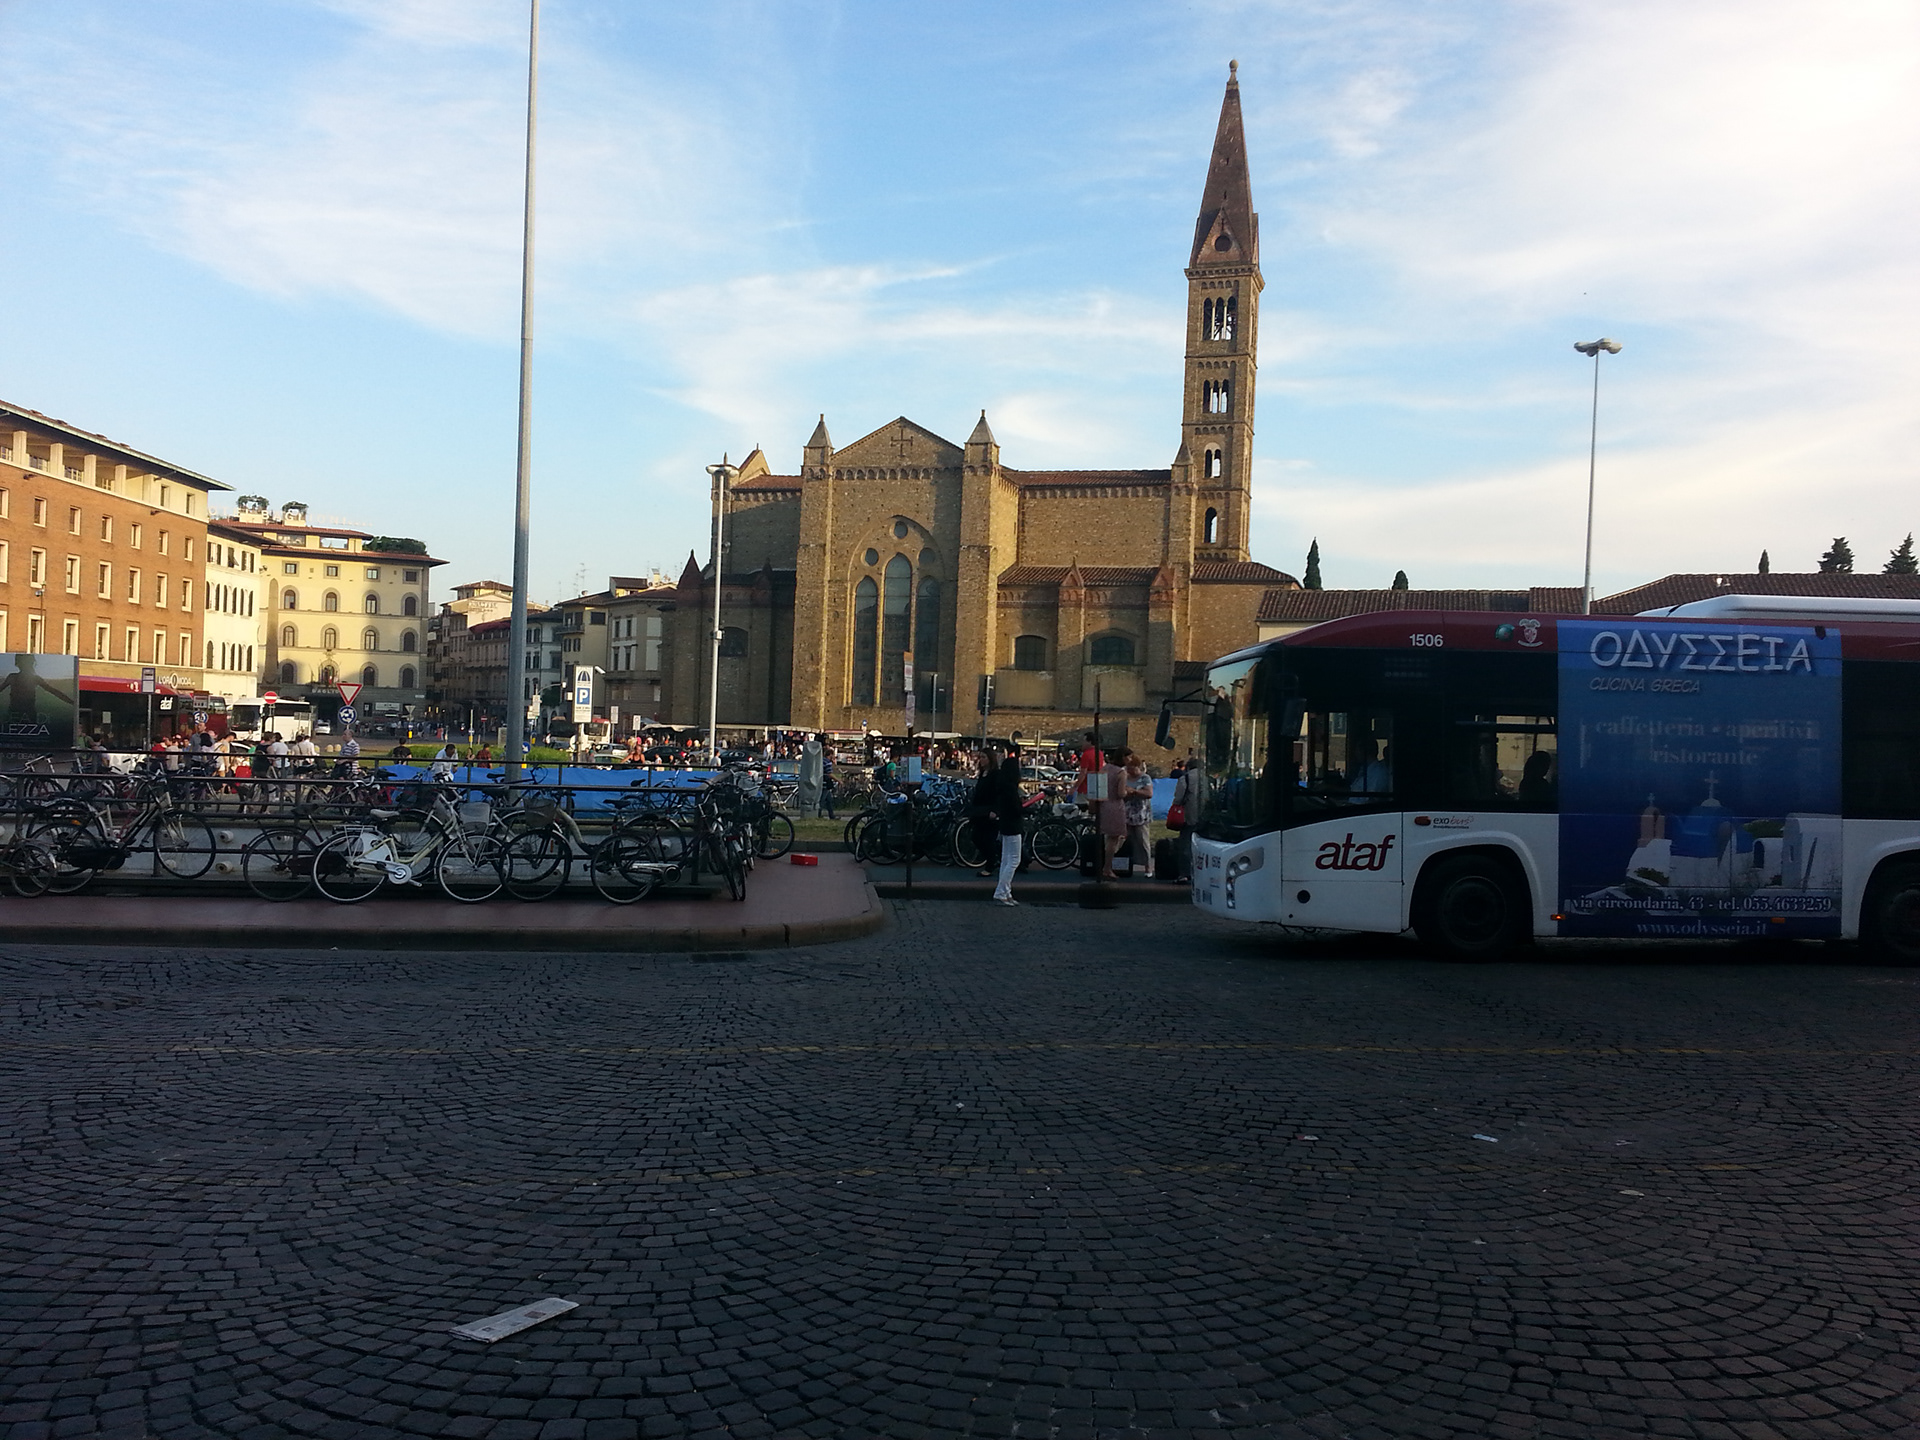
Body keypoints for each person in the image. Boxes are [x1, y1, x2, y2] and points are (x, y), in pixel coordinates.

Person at [984, 741, 1026, 904]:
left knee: (1006, 859)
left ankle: (1004, 891)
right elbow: (1016, 809)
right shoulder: (1011, 790)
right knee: (1014, 859)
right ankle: (1002, 890)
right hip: (1014, 825)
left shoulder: (1002, 787)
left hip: (1005, 824)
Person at [1094, 748, 1129, 880]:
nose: (1130, 760)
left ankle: (1104, 866)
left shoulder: (1105, 768)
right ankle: (1107, 868)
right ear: (1123, 757)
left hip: (1103, 804)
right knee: (1114, 838)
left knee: (1108, 837)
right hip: (1116, 805)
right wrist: (1128, 791)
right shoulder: (1121, 773)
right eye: (1129, 757)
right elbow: (1121, 793)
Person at [1123, 751, 1155, 879]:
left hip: (1141, 814)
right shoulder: (1124, 777)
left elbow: (1149, 793)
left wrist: (1134, 791)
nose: (1130, 770)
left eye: (1132, 767)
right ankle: (1125, 864)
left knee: (1143, 840)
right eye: (1128, 768)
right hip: (1127, 812)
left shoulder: (1145, 778)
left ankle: (1148, 866)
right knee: (1124, 840)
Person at [798, 733, 825, 818]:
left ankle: (810, 808)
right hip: (814, 801)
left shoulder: (806, 752)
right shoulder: (819, 758)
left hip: (806, 801)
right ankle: (816, 808)